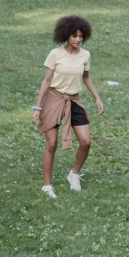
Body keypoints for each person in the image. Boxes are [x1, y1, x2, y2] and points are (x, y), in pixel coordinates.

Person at [32, 15, 104, 198]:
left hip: (73, 99)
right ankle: (47, 186)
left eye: (81, 36)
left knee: (86, 141)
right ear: (66, 35)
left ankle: (73, 174)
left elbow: (86, 77)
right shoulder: (55, 54)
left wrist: (97, 97)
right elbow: (46, 80)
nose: (78, 39)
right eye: (74, 36)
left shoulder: (85, 55)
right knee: (51, 143)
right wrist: (37, 107)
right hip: (54, 99)